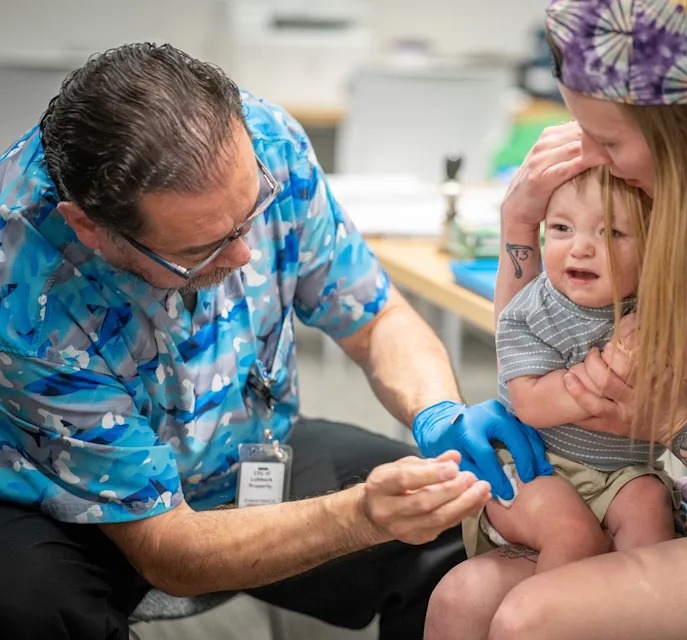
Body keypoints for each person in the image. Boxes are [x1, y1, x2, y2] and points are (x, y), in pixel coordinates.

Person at [0, 43, 554, 640]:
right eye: (203, 249)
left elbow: (376, 319)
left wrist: (439, 411)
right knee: (35, 611)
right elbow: (169, 549)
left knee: (460, 527)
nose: (243, 256)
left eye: (251, 215)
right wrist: (360, 517)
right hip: (72, 504)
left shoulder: (264, 141)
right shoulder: (23, 287)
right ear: (91, 227)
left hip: (249, 449)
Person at [426, 1, 687, 638]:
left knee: (530, 620)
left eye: (609, 141)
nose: (589, 156)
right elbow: (543, 325)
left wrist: (672, 419)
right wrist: (520, 223)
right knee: (464, 595)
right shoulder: (675, 213)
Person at [463, 166, 677, 572]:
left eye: (612, 233)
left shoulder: (656, 312)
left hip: (623, 471)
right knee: (573, 536)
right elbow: (530, 403)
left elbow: (674, 399)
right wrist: (609, 375)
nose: (581, 248)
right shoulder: (530, 310)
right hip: (537, 466)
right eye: (562, 228)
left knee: (650, 514)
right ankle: (547, 620)